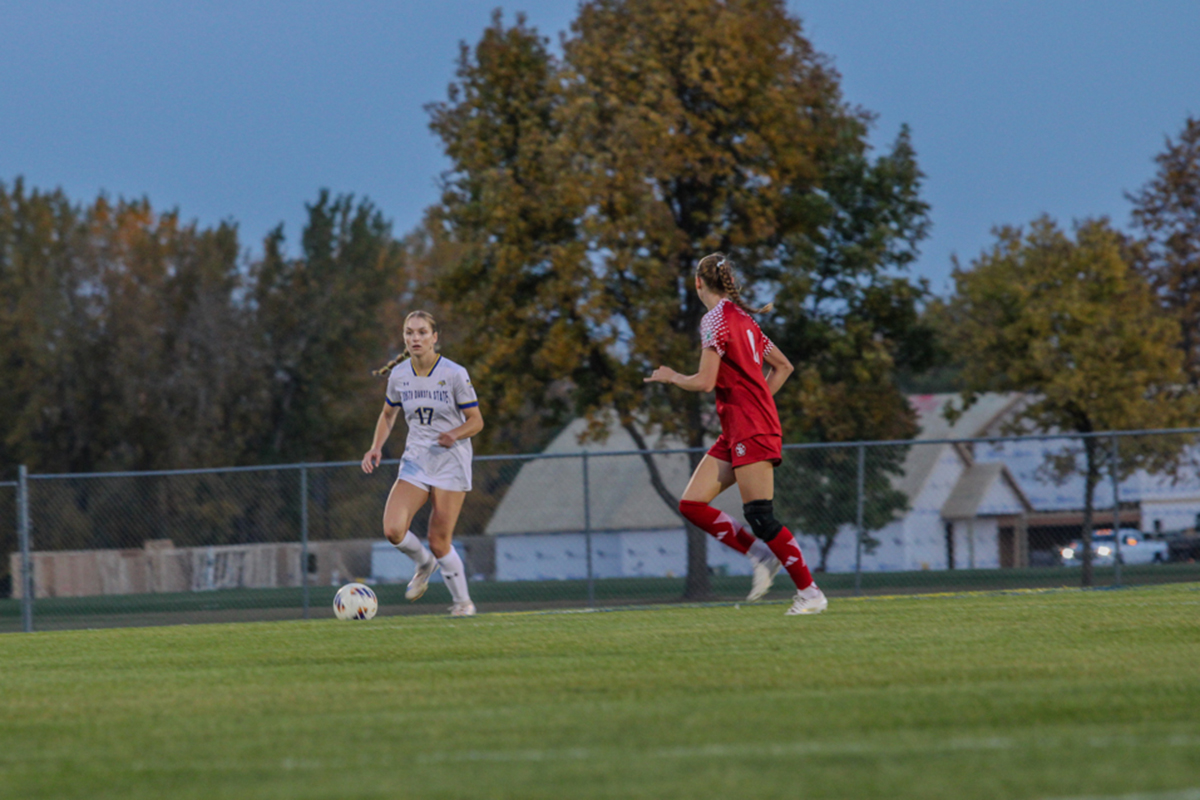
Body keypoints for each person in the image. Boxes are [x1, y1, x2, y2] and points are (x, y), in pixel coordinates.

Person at [645, 253, 827, 615]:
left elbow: (705, 381)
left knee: (761, 516)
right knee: (692, 504)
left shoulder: (714, 320)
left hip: (750, 428)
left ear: (698, 283)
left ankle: (811, 594)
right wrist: (756, 401)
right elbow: (784, 366)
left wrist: (671, 377)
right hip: (739, 427)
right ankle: (760, 554)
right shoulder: (745, 320)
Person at [361, 310, 484, 617]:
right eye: (409, 333)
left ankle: (463, 603)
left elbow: (476, 421)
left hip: (450, 463)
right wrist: (376, 446)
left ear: (434, 337)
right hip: (416, 461)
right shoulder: (400, 374)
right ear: (404, 337)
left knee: (439, 541)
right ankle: (423, 563)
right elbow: (389, 414)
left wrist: (453, 435)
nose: (415, 338)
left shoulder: (454, 373)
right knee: (393, 530)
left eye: (421, 332)